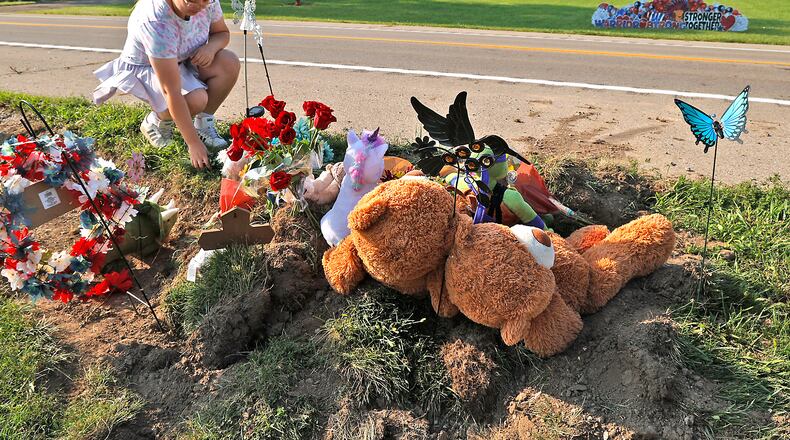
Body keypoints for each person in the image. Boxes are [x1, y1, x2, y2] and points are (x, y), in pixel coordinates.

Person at [93, 0, 240, 169]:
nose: (199, 6)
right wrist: (193, 144)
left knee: (229, 62)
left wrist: (211, 48)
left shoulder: (208, 2)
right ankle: (155, 121)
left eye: (204, 1)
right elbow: (170, 90)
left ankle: (203, 124)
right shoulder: (156, 20)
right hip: (149, 68)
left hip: (184, 59)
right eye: (190, 1)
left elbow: (221, 33)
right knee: (196, 99)